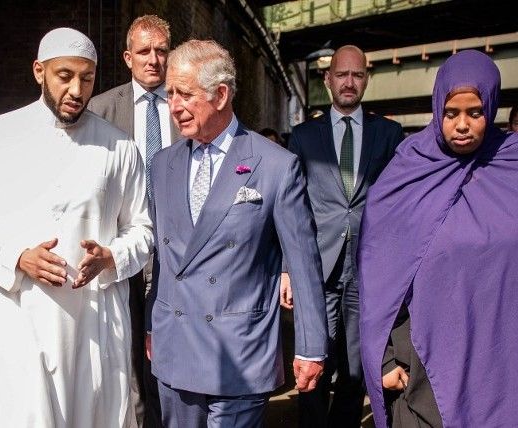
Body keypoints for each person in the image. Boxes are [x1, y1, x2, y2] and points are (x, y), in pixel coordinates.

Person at [0, 28, 153, 427]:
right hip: (21, 314)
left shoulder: (119, 146)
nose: (77, 89)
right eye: (64, 76)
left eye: (87, 78)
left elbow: (142, 228)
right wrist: (17, 257)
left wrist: (113, 256)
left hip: (96, 317)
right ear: (39, 71)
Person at [146, 39, 328, 428]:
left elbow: (303, 261)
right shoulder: (162, 165)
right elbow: (165, 259)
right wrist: (150, 324)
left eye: (185, 94)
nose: (174, 106)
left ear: (221, 95)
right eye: (170, 93)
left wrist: (312, 348)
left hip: (239, 350)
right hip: (174, 342)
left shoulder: (277, 165)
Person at [359, 50, 518, 427]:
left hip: (500, 357)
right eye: (451, 114)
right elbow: (377, 271)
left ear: (492, 107)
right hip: (422, 364)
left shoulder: (511, 165)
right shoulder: (408, 169)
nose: (462, 125)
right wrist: (382, 357)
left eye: (475, 112)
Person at [285, 45, 403, 428]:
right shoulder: (303, 137)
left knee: (356, 363)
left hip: (367, 267)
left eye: (357, 75)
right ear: (328, 80)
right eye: (342, 75)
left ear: (366, 79)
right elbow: (292, 210)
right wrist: (288, 268)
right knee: (314, 357)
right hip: (317, 265)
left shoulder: (389, 134)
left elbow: (400, 202)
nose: (349, 82)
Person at [88, 14, 177, 427]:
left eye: (162, 50)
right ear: (128, 57)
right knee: (126, 358)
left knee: (170, 355)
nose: (154, 60)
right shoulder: (101, 110)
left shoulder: (186, 103)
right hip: (122, 250)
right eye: (144, 51)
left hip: (178, 254)